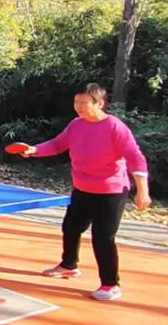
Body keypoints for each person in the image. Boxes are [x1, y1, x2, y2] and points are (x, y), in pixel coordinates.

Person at [18, 83, 150, 302]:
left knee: (103, 237)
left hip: (111, 191)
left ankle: (111, 284)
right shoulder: (76, 125)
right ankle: (69, 265)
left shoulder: (115, 127)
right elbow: (58, 144)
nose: (78, 106)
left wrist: (142, 191)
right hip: (82, 188)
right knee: (71, 228)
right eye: (76, 101)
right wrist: (34, 150)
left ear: (100, 104)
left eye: (84, 102)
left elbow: (135, 157)